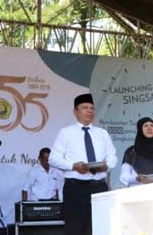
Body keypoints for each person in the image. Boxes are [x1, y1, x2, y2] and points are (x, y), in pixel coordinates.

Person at [49, 93, 118, 235]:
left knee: (100, 227)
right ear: (76, 112)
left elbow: (113, 157)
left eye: (92, 108)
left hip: (99, 187)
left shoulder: (102, 133)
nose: (89, 111)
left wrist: (106, 165)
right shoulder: (66, 133)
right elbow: (53, 158)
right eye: (85, 107)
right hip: (75, 188)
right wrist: (73, 166)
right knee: (75, 229)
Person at [119, 117, 153, 188]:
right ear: (140, 129)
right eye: (145, 126)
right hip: (135, 193)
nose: (149, 128)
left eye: (152, 125)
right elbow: (123, 177)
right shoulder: (131, 151)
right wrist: (136, 179)